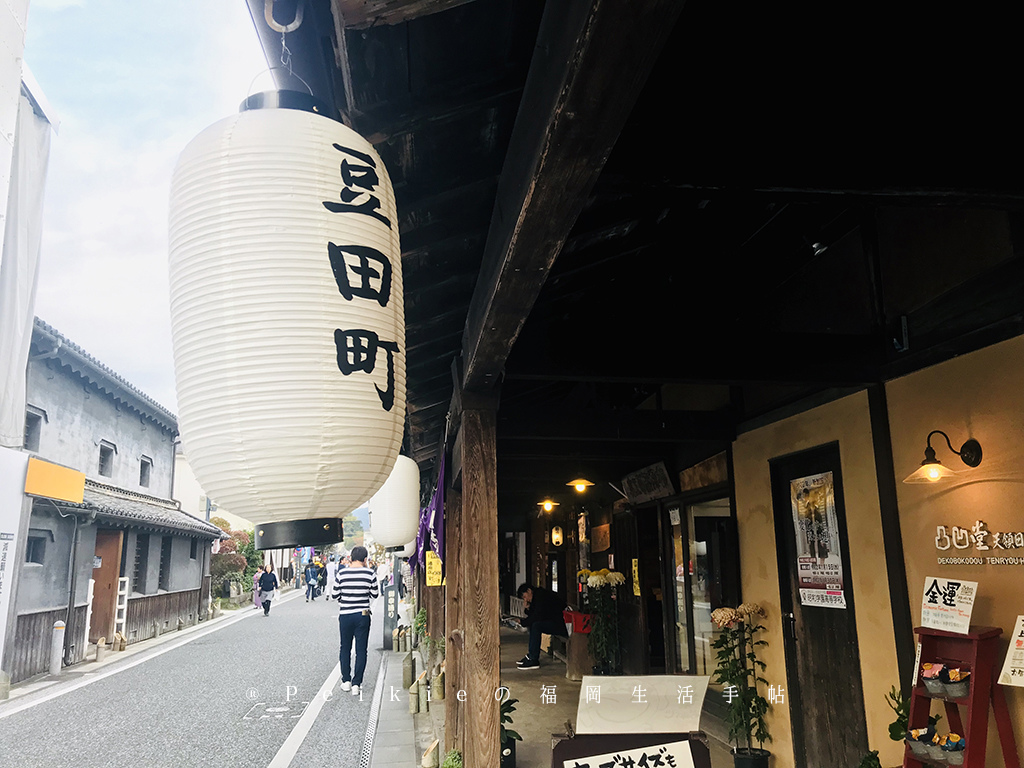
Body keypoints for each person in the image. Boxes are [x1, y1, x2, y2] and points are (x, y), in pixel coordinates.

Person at [332, 545, 379, 696]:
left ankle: (345, 681)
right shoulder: (369, 573)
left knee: (344, 647)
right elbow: (375, 594)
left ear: (351, 558)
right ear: (365, 559)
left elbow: (334, 594)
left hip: (345, 614)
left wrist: (344, 599)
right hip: (363, 614)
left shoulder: (342, 573)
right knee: (361, 650)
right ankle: (356, 684)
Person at [515, 583, 567, 669]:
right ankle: (531, 655)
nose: (526, 599)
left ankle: (533, 659)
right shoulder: (536, 596)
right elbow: (534, 614)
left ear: (529, 591)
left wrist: (523, 622)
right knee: (533, 625)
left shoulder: (541, 595)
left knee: (536, 626)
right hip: (553, 622)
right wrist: (527, 608)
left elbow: (537, 616)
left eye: (525, 596)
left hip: (561, 624)